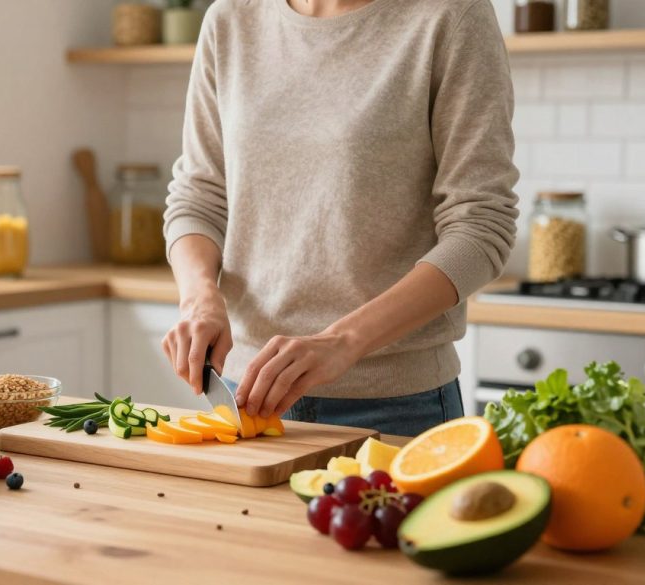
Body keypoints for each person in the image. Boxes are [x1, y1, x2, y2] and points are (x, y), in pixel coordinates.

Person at [161, 0, 519, 436]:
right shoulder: (232, 19)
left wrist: (343, 342)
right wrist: (198, 297)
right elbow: (199, 195)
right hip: (245, 397)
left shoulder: (450, 16)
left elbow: (481, 226)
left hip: (395, 406)